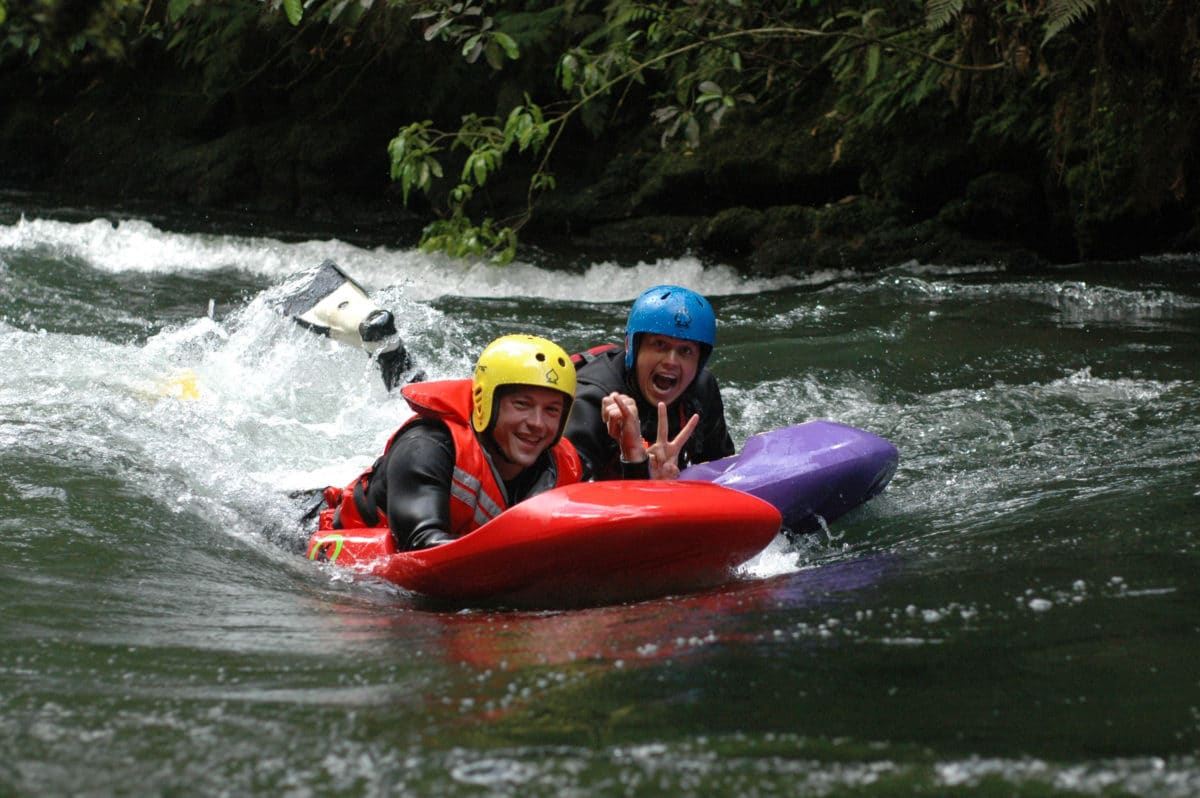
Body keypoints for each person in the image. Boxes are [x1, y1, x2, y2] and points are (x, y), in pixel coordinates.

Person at [318, 334, 582, 550]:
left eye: (551, 410)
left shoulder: (563, 465)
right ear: (485, 402)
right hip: (328, 537)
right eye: (522, 404)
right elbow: (420, 542)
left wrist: (626, 457)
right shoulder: (426, 447)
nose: (537, 423)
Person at [566, 285, 735, 481]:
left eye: (685, 351)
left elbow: (725, 472)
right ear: (632, 347)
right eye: (659, 344)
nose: (671, 361)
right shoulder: (592, 399)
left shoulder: (702, 389)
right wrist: (639, 468)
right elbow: (566, 493)